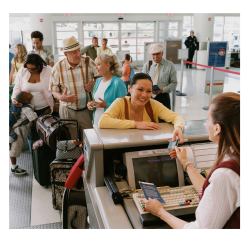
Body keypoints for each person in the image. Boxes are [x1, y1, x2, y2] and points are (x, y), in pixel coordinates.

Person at [144, 92, 240, 229]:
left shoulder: (226, 173)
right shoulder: (236, 156)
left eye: (207, 120)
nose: (206, 125)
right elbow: (211, 193)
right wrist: (185, 163)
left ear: (217, 128)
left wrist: (160, 212)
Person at [99, 73, 184, 142]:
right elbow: (103, 121)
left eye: (148, 91)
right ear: (129, 88)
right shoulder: (120, 103)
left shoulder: (153, 104)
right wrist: (136, 124)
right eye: (140, 89)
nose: (144, 95)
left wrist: (178, 128)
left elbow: (177, 117)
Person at [49, 36, 97, 140]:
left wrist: (93, 83)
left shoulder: (88, 62)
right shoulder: (58, 67)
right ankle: (75, 157)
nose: (79, 54)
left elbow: (101, 78)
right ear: (66, 54)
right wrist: (61, 97)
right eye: (74, 52)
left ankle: (87, 157)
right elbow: (53, 89)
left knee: (91, 140)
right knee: (71, 141)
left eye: (79, 50)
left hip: (86, 110)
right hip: (67, 111)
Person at [12, 53, 54, 144]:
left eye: (33, 69)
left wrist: (57, 103)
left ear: (39, 65)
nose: (30, 70)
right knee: (32, 139)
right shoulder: (23, 71)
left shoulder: (49, 70)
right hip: (28, 112)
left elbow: (57, 88)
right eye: (28, 68)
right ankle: (34, 157)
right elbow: (17, 87)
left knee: (47, 138)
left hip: (45, 110)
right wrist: (14, 99)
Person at [87, 54, 127, 128]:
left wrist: (106, 105)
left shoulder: (118, 82)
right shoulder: (98, 81)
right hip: (96, 123)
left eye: (98, 64)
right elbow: (96, 101)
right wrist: (91, 104)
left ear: (108, 65)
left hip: (111, 126)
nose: (95, 67)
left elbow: (125, 106)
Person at [9, 91, 38, 175]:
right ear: (26, 101)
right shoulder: (27, 109)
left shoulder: (23, 106)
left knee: (13, 149)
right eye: (27, 94)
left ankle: (14, 166)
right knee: (14, 150)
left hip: (16, 130)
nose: (29, 92)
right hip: (18, 132)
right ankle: (13, 168)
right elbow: (35, 120)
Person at [142, 44, 177, 111]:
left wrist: (162, 90)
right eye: (153, 54)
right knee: (149, 120)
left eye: (157, 54)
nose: (155, 56)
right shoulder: (147, 65)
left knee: (164, 120)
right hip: (149, 97)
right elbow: (142, 82)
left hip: (163, 97)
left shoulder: (170, 65)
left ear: (162, 53)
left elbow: (174, 83)